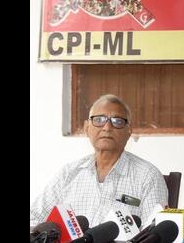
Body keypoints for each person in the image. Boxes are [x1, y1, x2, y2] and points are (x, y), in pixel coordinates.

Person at [30, 94, 168, 227]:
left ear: (129, 131)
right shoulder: (68, 174)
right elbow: (34, 217)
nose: (107, 128)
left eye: (117, 122)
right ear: (86, 128)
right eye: (99, 120)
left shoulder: (148, 176)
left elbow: (153, 231)